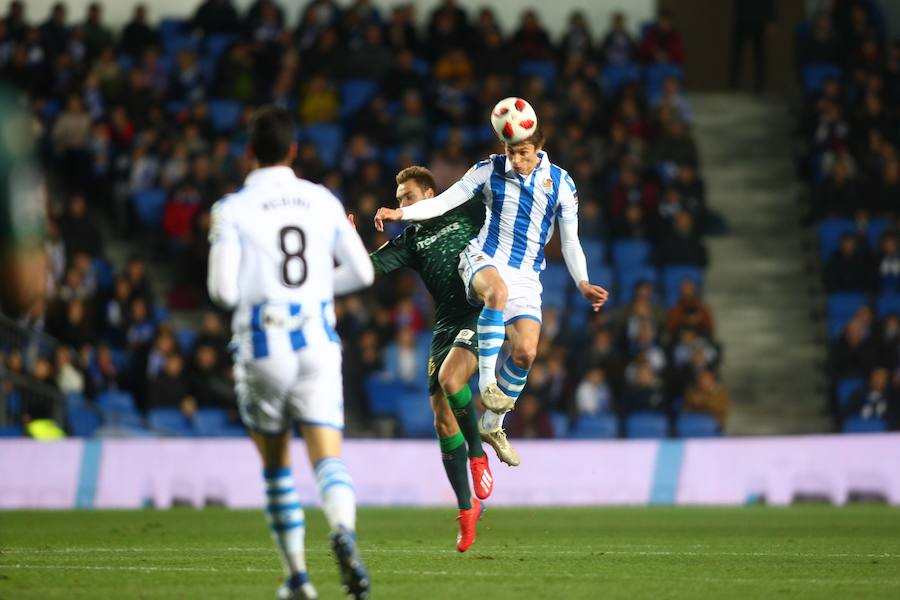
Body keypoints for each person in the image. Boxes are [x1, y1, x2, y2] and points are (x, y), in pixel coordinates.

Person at [207, 106, 374, 600]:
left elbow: (222, 291)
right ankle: (342, 530)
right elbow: (363, 274)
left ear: (248, 154)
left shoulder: (231, 209)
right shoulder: (321, 200)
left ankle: (299, 578)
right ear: (294, 152)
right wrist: (316, 290)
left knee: (277, 466)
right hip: (318, 339)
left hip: (264, 343)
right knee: (328, 457)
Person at [375, 113, 608, 459]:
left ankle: (492, 422)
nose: (516, 160)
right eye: (511, 152)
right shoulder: (488, 170)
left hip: (527, 276)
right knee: (496, 293)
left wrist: (583, 281)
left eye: (523, 153)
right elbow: (442, 202)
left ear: (539, 147)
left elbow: (571, 242)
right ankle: (487, 384)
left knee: (527, 352)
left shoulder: (561, 184)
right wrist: (402, 215)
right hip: (483, 258)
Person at [364, 166, 498, 552]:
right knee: (441, 418)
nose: (402, 203)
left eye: (408, 197)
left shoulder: (466, 211)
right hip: (444, 326)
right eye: (399, 198)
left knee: (452, 381)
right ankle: (466, 509)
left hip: (477, 311)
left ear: (429, 193)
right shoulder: (410, 240)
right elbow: (369, 268)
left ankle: (477, 456)